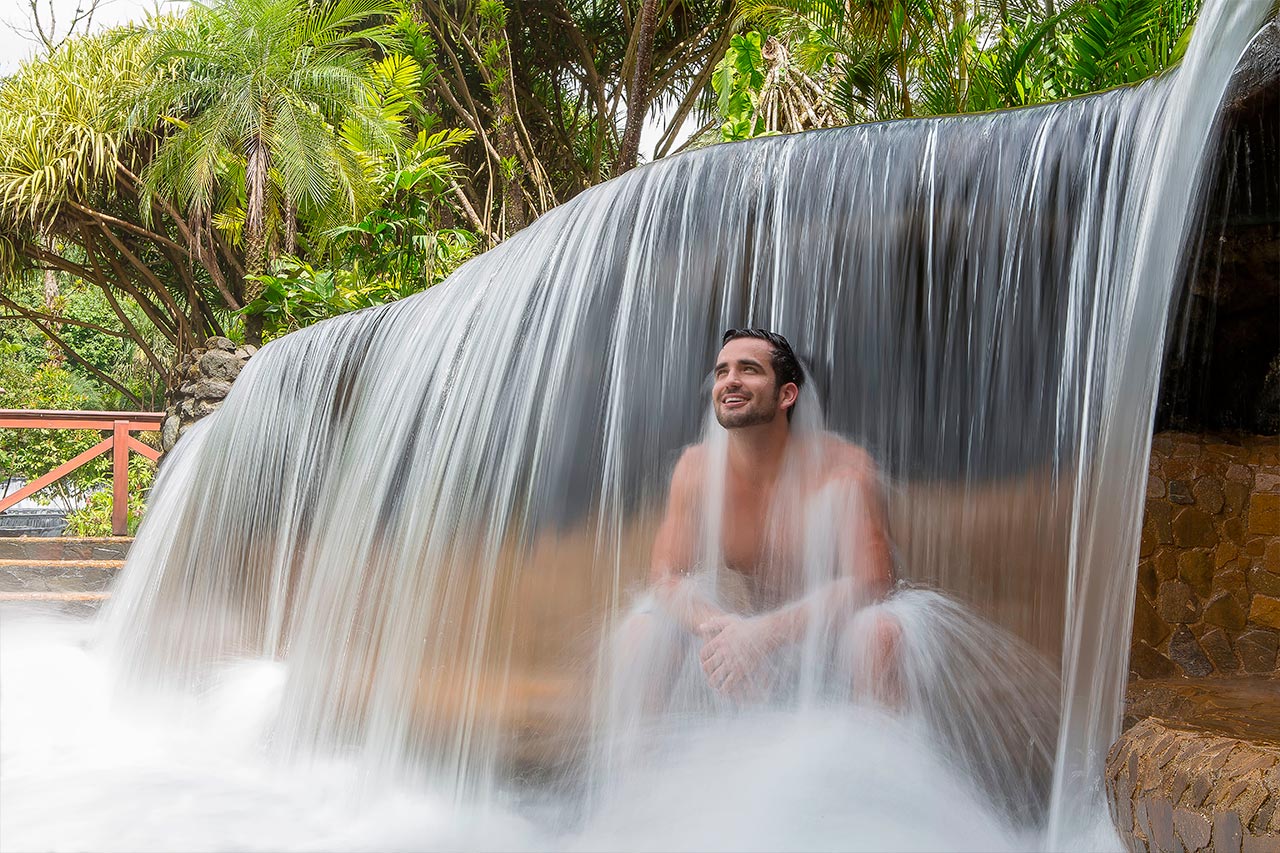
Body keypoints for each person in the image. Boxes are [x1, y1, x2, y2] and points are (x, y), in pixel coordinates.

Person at [613, 328, 901, 710]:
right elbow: (666, 577)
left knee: (880, 631)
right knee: (643, 630)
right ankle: (639, 769)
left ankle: (876, 763)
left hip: (829, 644)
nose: (730, 380)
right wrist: (720, 631)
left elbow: (871, 583)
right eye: (721, 372)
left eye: (748, 369)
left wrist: (762, 636)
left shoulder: (844, 470)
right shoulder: (696, 470)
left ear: (787, 395)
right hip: (744, 647)